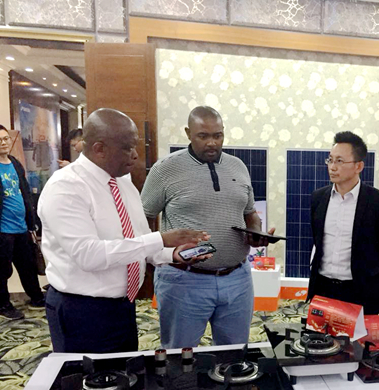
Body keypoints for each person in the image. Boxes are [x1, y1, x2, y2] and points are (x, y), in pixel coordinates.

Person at [38, 109, 210, 353]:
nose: (136, 155)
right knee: (87, 377)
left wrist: (172, 254)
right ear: (99, 149)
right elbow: (89, 255)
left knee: (125, 373)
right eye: (128, 148)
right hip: (82, 311)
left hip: (123, 306)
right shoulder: (66, 187)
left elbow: (138, 241)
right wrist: (160, 239)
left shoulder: (123, 182)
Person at [141, 106, 273, 349]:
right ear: (188, 133)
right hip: (183, 280)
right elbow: (143, 217)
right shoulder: (165, 169)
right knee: (180, 355)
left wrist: (257, 233)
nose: (212, 143)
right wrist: (156, 256)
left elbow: (249, 212)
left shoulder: (238, 166)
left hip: (237, 279)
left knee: (234, 355)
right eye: (203, 136)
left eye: (217, 135)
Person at [307, 131, 379, 315]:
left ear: (358, 166)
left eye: (339, 161)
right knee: (320, 335)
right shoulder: (318, 198)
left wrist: (368, 274)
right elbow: (317, 239)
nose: (332, 167)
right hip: (323, 288)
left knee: (360, 335)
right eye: (330, 160)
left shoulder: (378, 202)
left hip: (361, 291)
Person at [0, 125, 45, 320]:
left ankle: (36, 297)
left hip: (21, 226)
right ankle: (3, 305)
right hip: (3, 230)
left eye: (5, 139)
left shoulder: (15, 163)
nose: (4, 143)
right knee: (2, 270)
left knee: (28, 265)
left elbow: (24, 192)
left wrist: (32, 221)